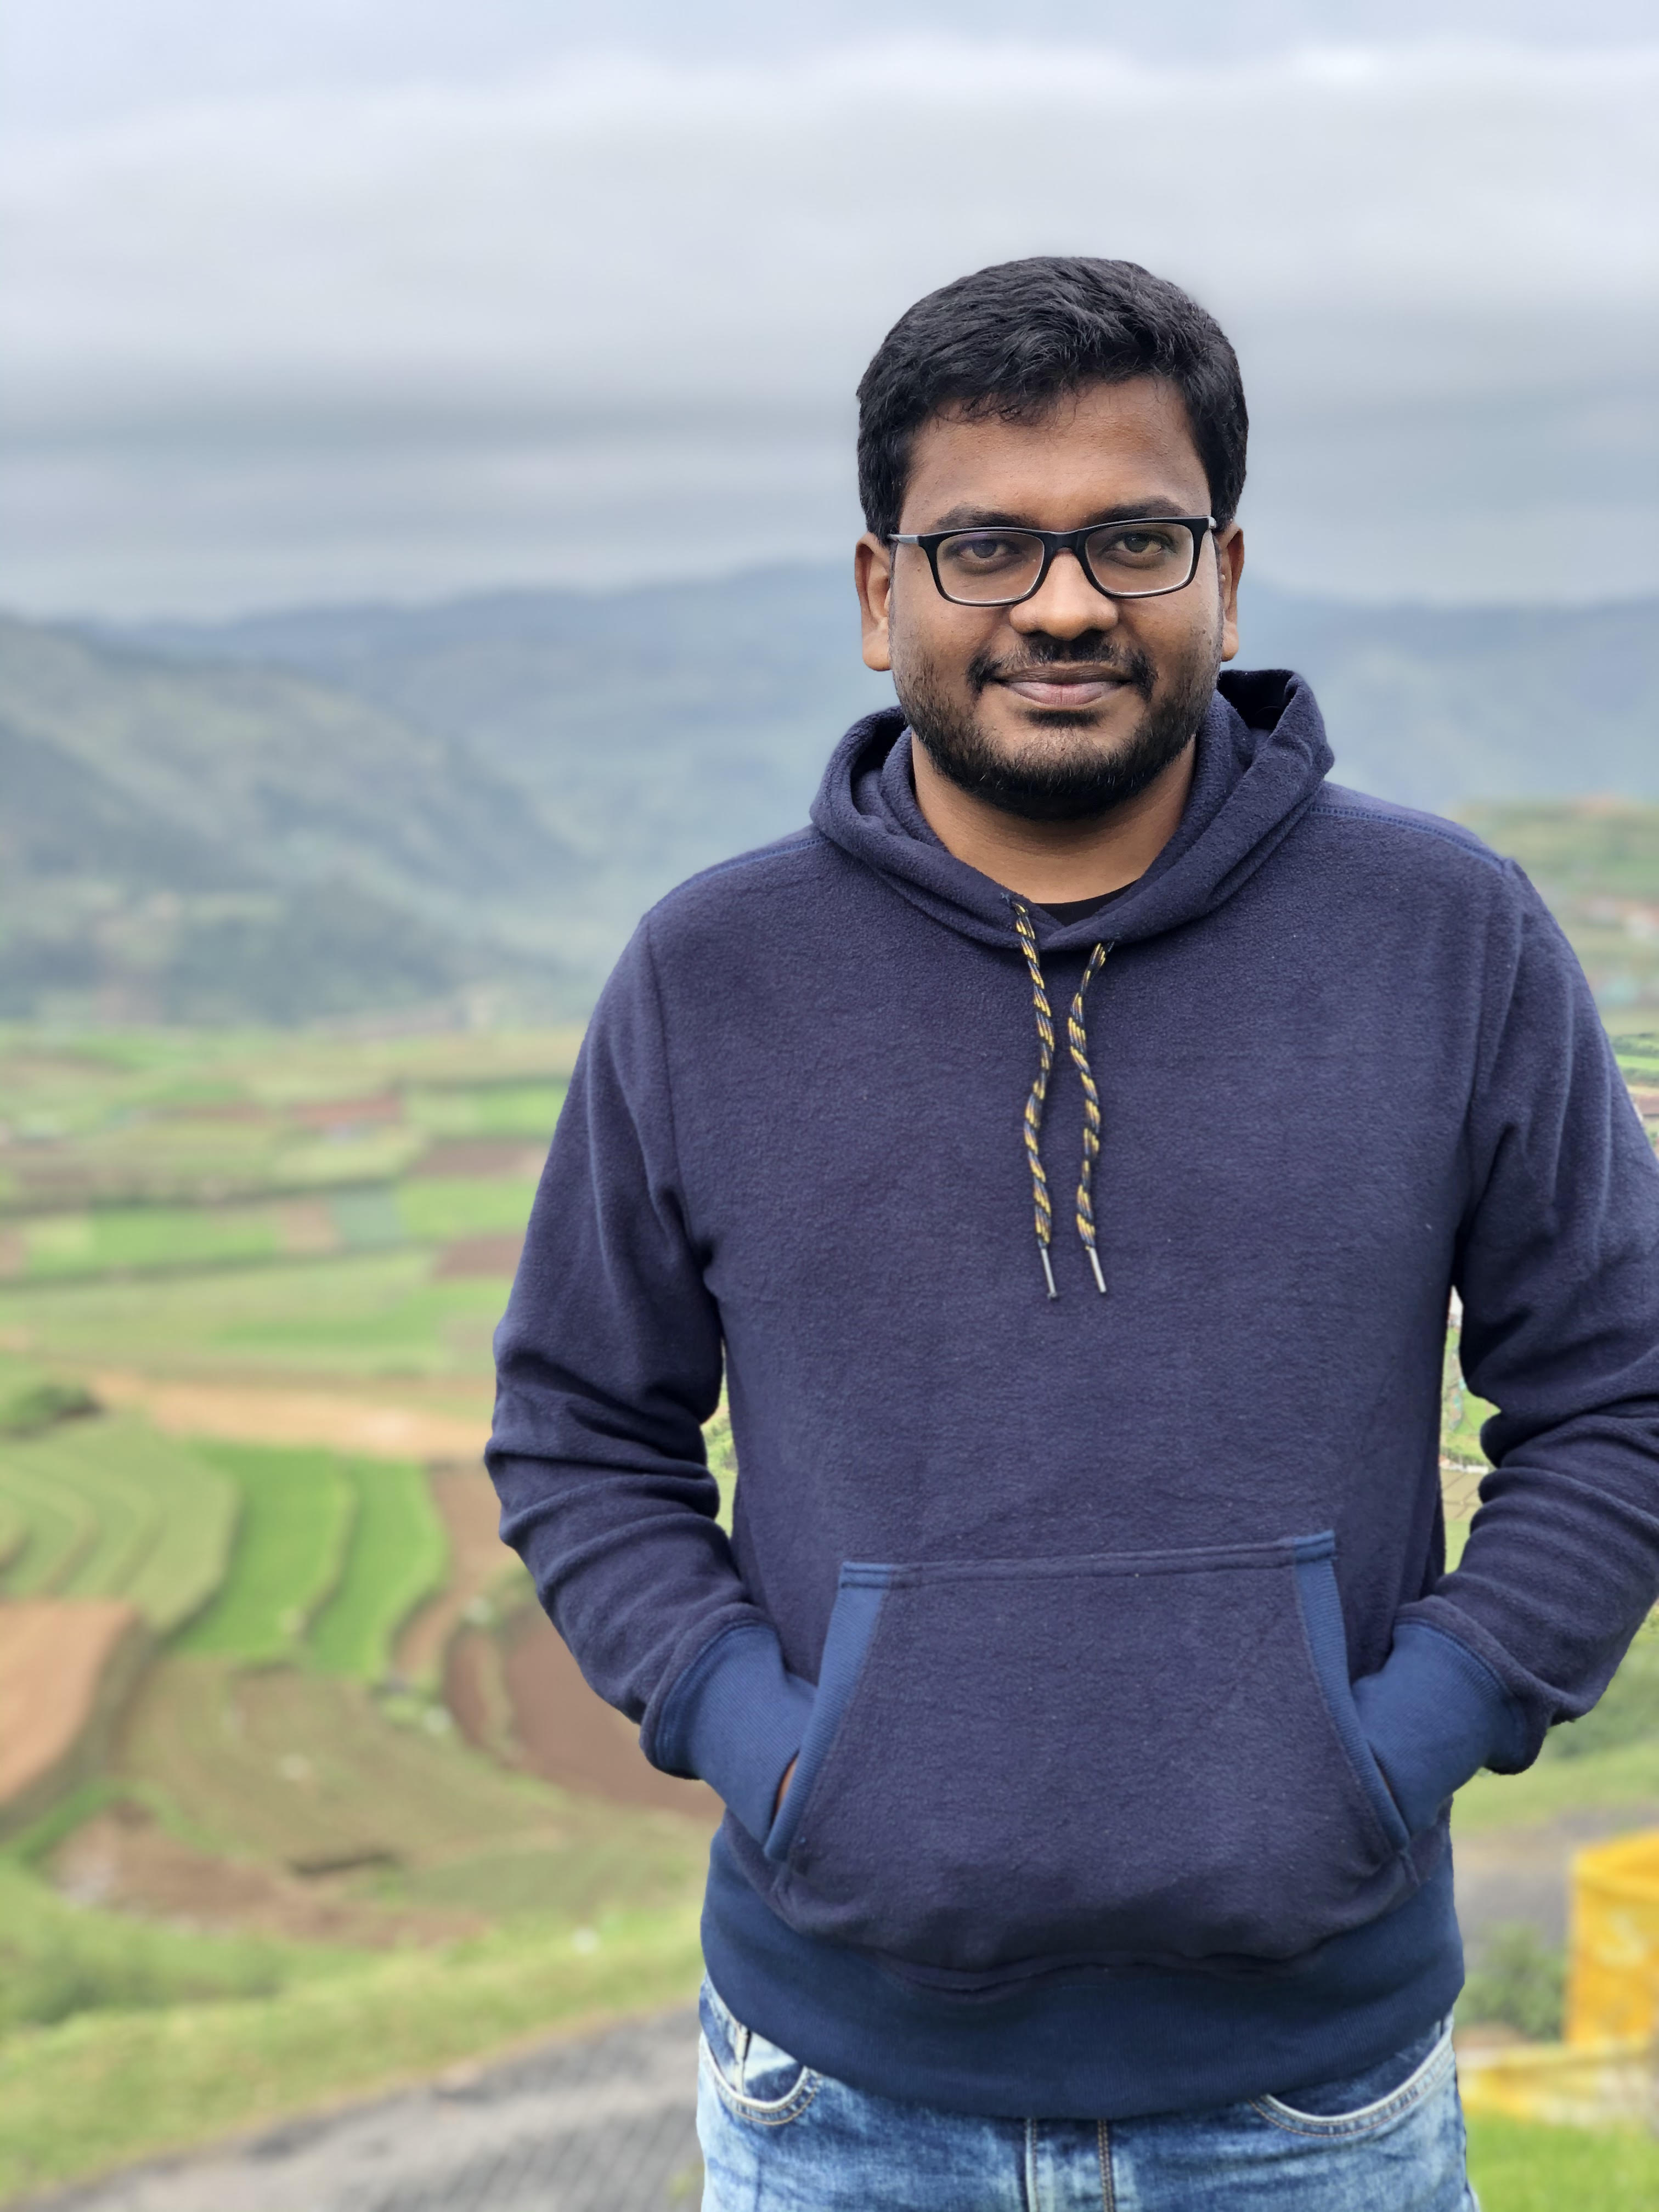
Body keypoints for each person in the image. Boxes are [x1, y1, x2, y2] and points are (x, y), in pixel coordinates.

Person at [487, 257, 1659, 2209]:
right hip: (832, 2103)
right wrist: (769, 1745)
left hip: (1313, 2105)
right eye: (985, 547)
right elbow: (578, 1429)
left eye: (1134, 539)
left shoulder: (1448, 939)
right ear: (882, 594)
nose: (1061, 604)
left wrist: (1406, 1741)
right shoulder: (712, 975)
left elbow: (1623, 1398)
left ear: (1225, 576)